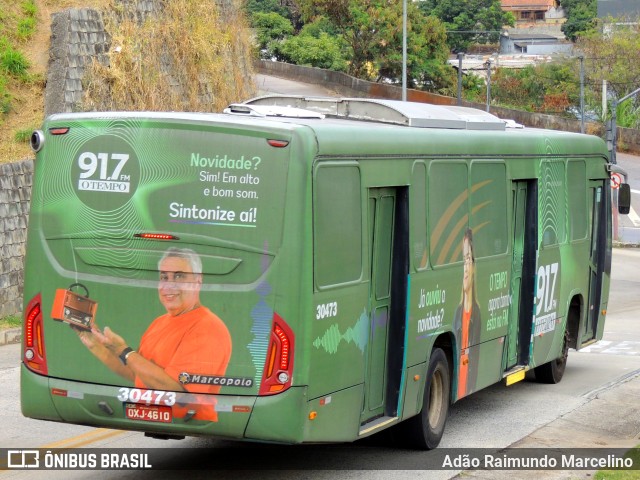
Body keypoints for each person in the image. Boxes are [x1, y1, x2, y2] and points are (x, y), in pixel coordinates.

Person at [75, 247, 232, 421]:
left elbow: (177, 393)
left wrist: (123, 351)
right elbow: (139, 375)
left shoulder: (208, 327)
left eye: (179, 276)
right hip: (155, 421)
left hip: (190, 426)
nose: (169, 285)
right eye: (164, 277)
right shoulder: (159, 322)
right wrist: (96, 345)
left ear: (198, 281)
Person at [453, 228, 481, 399]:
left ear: (473, 266)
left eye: (468, 260)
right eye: (463, 261)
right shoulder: (457, 314)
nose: (465, 268)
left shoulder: (477, 315)